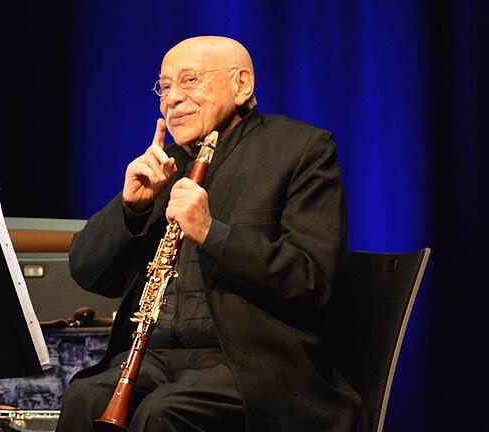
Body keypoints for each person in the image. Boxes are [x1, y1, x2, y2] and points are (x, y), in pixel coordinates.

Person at [55, 36, 363, 432]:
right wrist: (131, 209)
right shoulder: (167, 167)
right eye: (164, 87)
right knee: (84, 397)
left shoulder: (301, 149)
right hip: (156, 356)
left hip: (252, 362)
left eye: (189, 81)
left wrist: (210, 233)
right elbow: (87, 270)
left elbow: (310, 278)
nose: (172, 99)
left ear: (242, 86)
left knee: (162, 413)